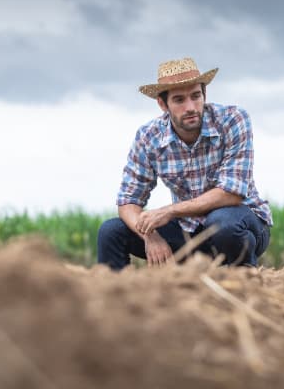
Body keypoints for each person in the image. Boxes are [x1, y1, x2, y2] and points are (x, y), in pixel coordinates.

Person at [97, 57, 272, 270]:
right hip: (188, 232)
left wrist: (169, 211)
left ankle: (244, 281)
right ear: (163, 104)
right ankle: (115, 299)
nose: (190, 107)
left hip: (241, 223)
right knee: (110, 231)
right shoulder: (148, 137)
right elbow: (127, 201)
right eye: (179, 100)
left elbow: (231, 193)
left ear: (204, 94)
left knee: (222, 223)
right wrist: (149, 234)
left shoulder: (233, 120)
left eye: (196, 96)